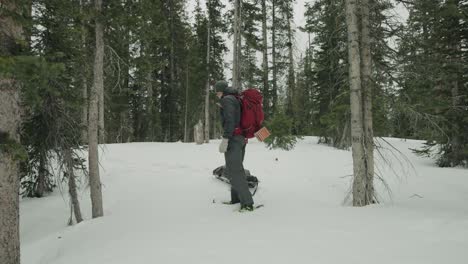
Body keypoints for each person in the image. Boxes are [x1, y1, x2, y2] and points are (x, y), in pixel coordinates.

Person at [215, 80, 254, 212]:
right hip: (241, 139)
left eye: (216, 92)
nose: (216, 95)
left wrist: (225, 139)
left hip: (234, 139)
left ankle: (247, 204)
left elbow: (230, 120)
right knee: (235, 170)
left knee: (235, 171)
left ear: (220, 91)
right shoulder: (236, 98)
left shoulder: (227, 100)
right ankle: (236, 199)